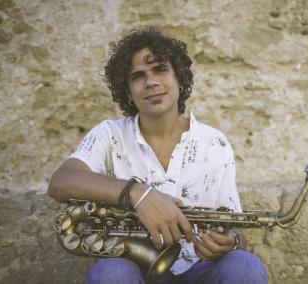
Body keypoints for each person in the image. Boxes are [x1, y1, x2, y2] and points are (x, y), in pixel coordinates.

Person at [48, 28, 267, 284]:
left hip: (202, 269)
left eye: (161, 70)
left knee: (245, 266)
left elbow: (235, 225)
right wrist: (139, 194)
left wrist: (231, 241)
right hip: (135, 271)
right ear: (128, 92)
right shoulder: (109, 135)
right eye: (138, 76)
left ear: (180, 79)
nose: (151, 82)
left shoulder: (215, 143)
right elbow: (60, 182)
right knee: (111, 273)